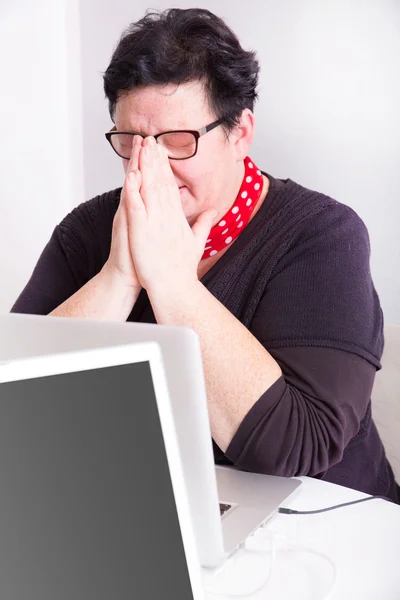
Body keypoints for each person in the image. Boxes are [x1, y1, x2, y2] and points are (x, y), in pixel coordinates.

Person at [11, 7, 399, 503]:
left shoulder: (323, 234)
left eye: (178, 141)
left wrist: (172, 284)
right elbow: (16, 413)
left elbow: (297, 448)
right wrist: (120, 275)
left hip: (327, 525)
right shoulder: (87, 232)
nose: (151, 166)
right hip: (160, 513)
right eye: (131, 142)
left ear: (239, 133)